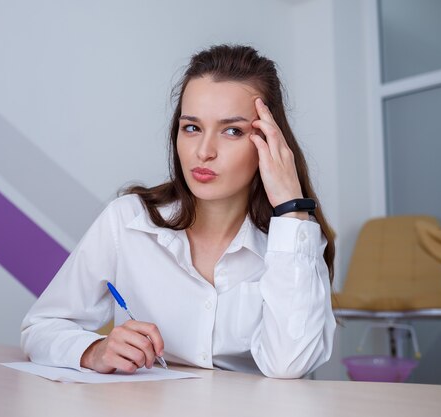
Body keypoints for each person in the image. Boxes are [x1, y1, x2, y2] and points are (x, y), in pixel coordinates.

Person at [21, 44, 336, 379]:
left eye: (232, 130)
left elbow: (290, 365)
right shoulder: (127, 221)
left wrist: (290, 205)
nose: (203, 151)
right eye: (192, 127)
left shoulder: (293, 239)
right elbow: (41, 327)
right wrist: (93, 350)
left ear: (271, 142)